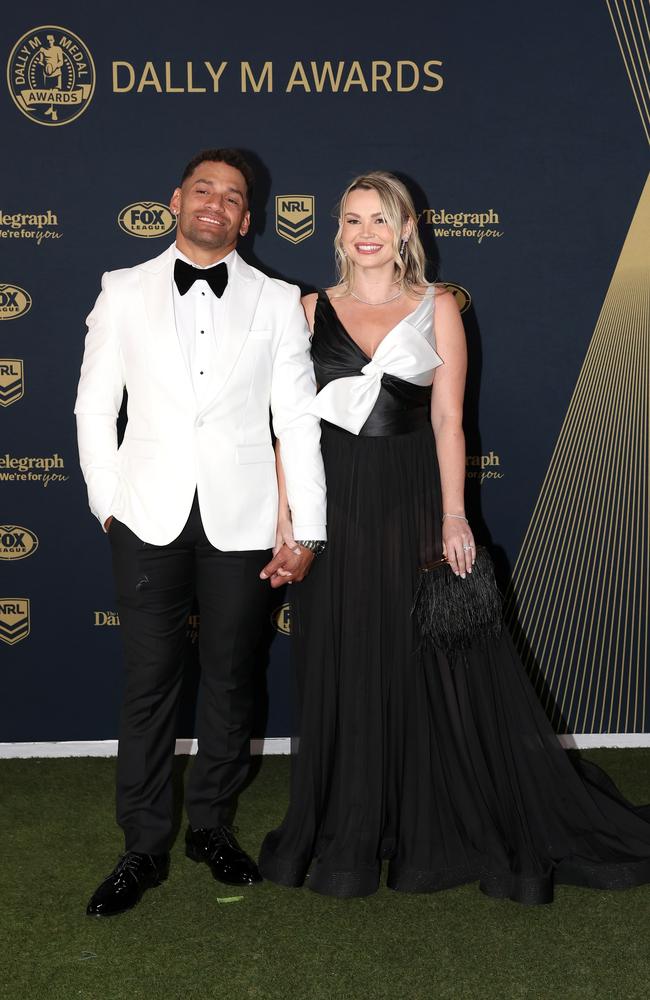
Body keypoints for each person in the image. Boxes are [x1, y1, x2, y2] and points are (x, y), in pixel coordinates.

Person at [259, 171, 650, 903]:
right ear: (337, 231)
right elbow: (291, 426)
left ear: (407, 229)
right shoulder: (307, 309)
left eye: (380, 218)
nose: (365, 231)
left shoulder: (438, 307)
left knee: (425, 664)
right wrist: (288, 517)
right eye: (352, 219)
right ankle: (350, 827)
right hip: (334, 503)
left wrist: (452, 516)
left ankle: (430, 821)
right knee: (344, 656)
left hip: (410, 498)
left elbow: (447, 421)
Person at [75, 148, 326, 917]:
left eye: (233, 196)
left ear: (247, 219)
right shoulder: (122, 290)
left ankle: (211, 827)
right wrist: (106, 503)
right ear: (175, 200)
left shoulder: (280, 300)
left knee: (229, 678)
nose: (216, 203)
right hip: (145, 515)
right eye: (203, 189)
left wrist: (307, 527)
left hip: (245, 516)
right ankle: (142, 846)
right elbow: (94, 406)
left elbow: (298, 420)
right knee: (149, 685)